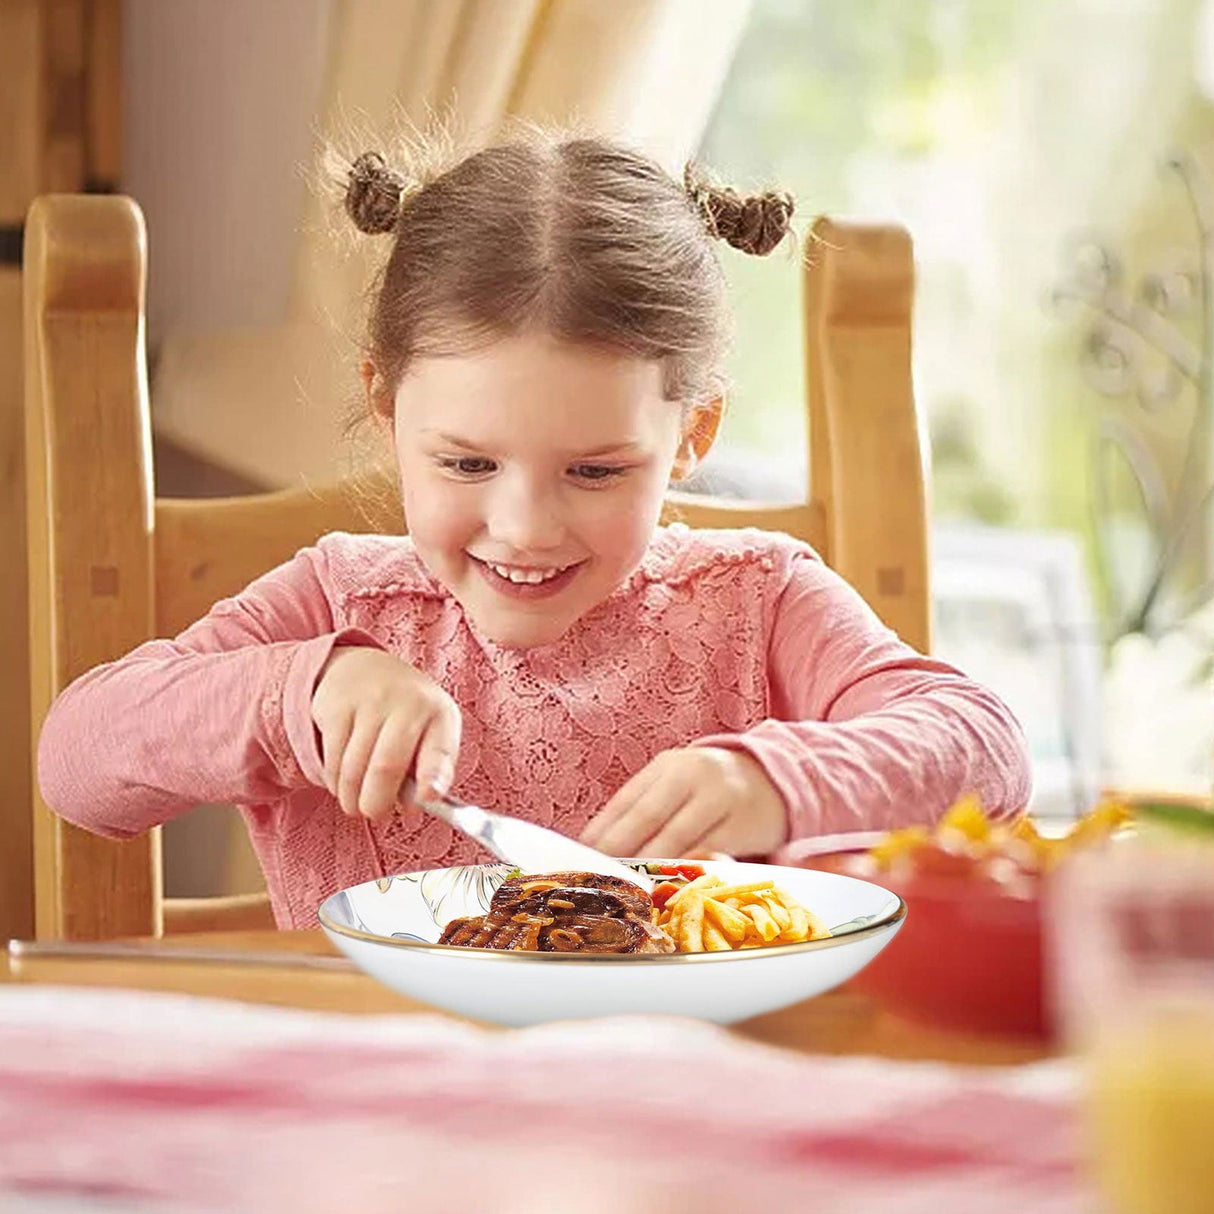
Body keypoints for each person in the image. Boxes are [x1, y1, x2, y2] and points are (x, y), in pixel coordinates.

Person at [37, 131, 1031, 928]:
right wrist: (298, 690)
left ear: (692, 433)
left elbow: (985, 751)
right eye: (467, 463)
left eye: (595, 470)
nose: (522, 528)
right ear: (385, 410)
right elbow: (78, 759)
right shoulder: (340, 605)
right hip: (377, 1113)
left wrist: (773, 778)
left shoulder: (759, 599)